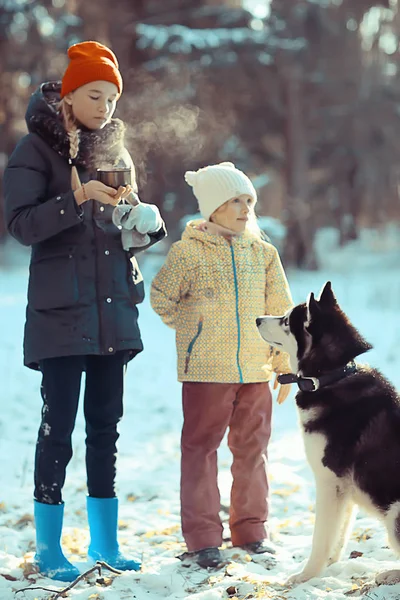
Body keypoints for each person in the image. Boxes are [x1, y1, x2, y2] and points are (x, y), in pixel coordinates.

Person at [4, 41, 166, 581]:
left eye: (112, 98)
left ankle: (105, 542)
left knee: (106, 427)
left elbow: (119, 231)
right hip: (60, 315)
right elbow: (21, 225)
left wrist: (143, 226)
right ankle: (49, 549)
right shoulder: (35, 150)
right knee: (58, 430)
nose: (105, 107)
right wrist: (75, 199)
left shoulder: (117, 151)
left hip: (111, 312)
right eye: (94, 95)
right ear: (68, 94)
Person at [150, 162, 293, 569]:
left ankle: (251, 531)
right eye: (235, 200)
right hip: (206, 373)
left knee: (252, 452)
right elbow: (161, 298)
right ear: (213, 207)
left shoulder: (263, 254)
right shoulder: (188, 252)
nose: (246, 207)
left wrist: (283, 364)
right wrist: (194, 327)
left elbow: (280, 311)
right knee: (200, 451)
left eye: (249, 200)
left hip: (254, 371)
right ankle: (202, 538)